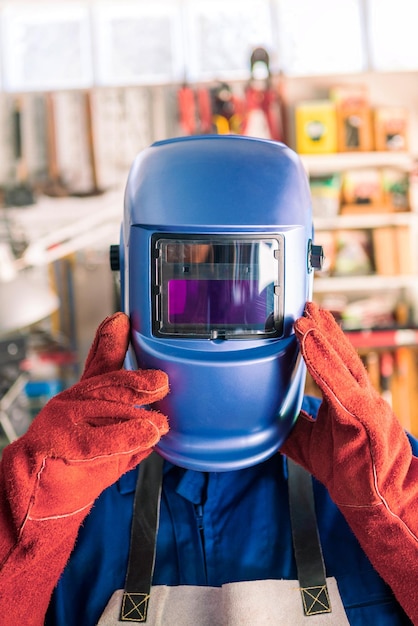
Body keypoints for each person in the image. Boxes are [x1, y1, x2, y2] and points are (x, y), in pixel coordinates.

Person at [0, 136, 417, 626]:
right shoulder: (63, 485)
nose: (219, 309)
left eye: (245, 286)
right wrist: (28, 536)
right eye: (192, 284)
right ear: (132, 276)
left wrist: (396, 520)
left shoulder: (372, 469)